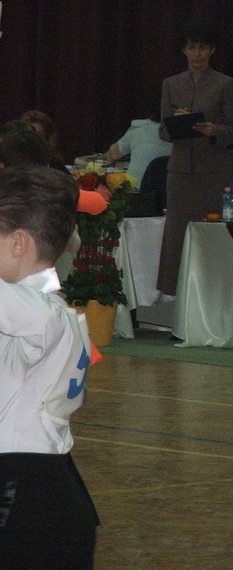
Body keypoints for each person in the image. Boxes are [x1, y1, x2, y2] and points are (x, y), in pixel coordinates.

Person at [0, 166, 99, 568]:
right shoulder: (42, 310)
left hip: (25, 496)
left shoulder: (38, 313)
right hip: (41, 486)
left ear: (19, 242)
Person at [157, 20, 233, 296]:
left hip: (214, 172)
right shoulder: (171, 84)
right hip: (180, 172)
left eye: (203, 48)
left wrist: (215, 130)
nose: (197, 54)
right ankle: (174, 296)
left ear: (212, 50)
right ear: (184, 50)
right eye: (192, 48)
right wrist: (177, 124)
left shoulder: (225, 84)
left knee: (213, 232)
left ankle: (215, 293)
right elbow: (163, 131)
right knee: (176, 235)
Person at [0, 121, 107, 216]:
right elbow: (100, 203)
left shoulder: (6, 193)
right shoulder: (58, 191)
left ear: (2, 165)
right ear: (47, 165)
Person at [104, 96, 173, 185]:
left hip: (136, 188)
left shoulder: (138, 129)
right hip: (169, 188)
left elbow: (113, 154)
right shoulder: (179, 133)